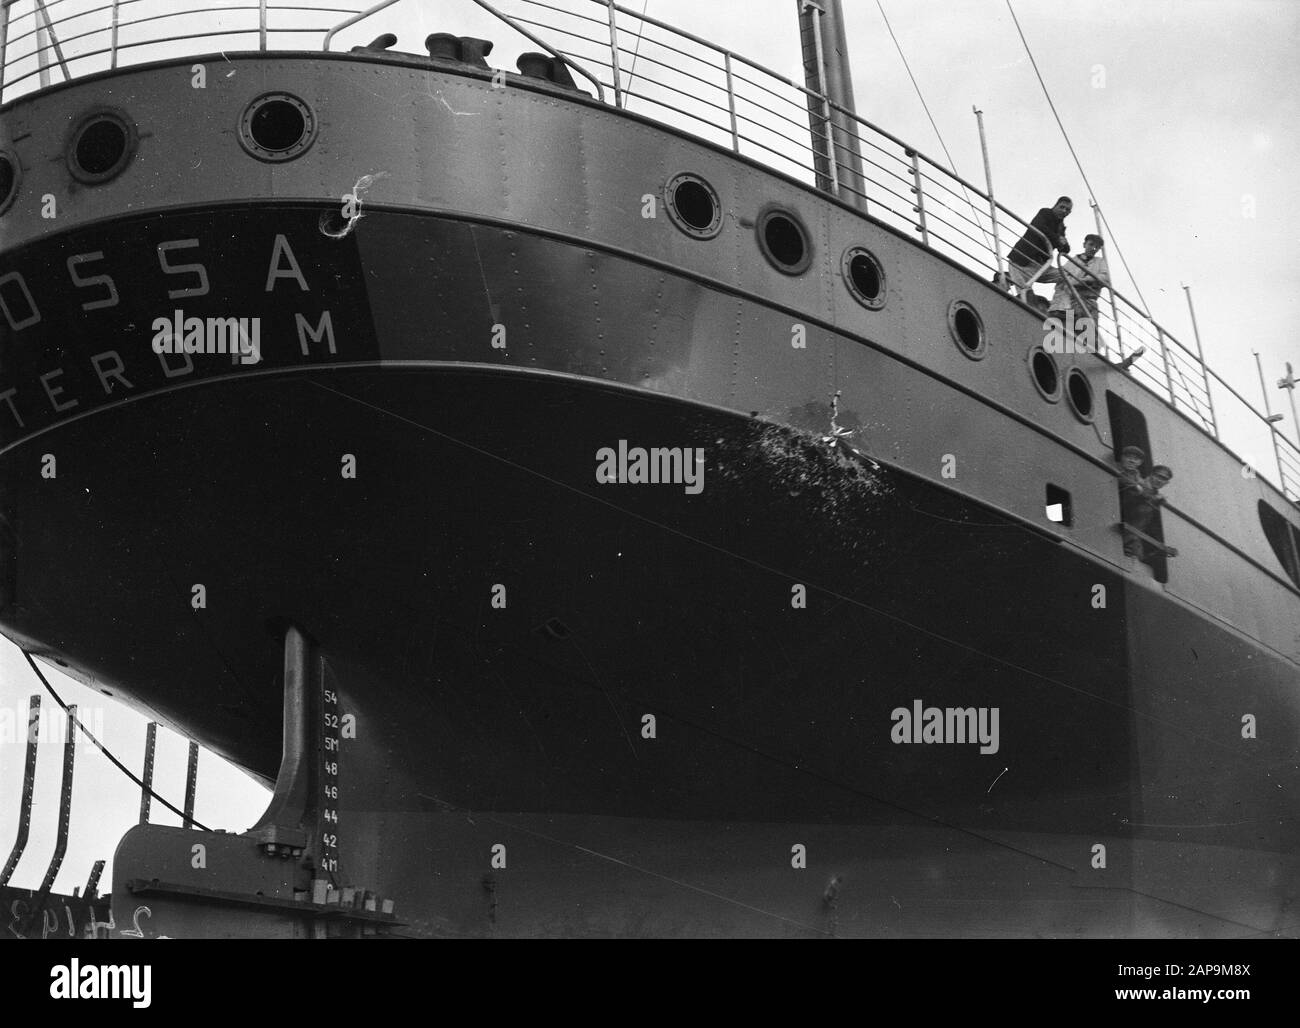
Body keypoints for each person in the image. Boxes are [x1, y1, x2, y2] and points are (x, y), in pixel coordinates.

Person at [1006, 197, 1072, 295]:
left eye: (1067, 210)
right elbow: (1038, 226)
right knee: (1025, 295)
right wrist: (1058, 239)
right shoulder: (1045, 213)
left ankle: (1063, 309)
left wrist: (1063, 243)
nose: (1064, 211)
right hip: (1022, 262)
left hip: (1041, 266)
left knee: (1068, 277)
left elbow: (1065, 249)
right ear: (1055, 205)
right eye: (1062, 207)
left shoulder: (1061, 227)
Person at [1048, 233, 1110, 325]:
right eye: (1091, 244)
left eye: (1097, 247)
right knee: (1066, 328)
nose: (1093, 248)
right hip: (1070, 300)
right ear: (1084, 244)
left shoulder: (1100, 262)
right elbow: (1063, 277)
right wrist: (1076, 282)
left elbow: (1105, 278)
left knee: (1089, 334)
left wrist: (1087, 279)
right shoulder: (1073, 260)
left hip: (1088, 301)